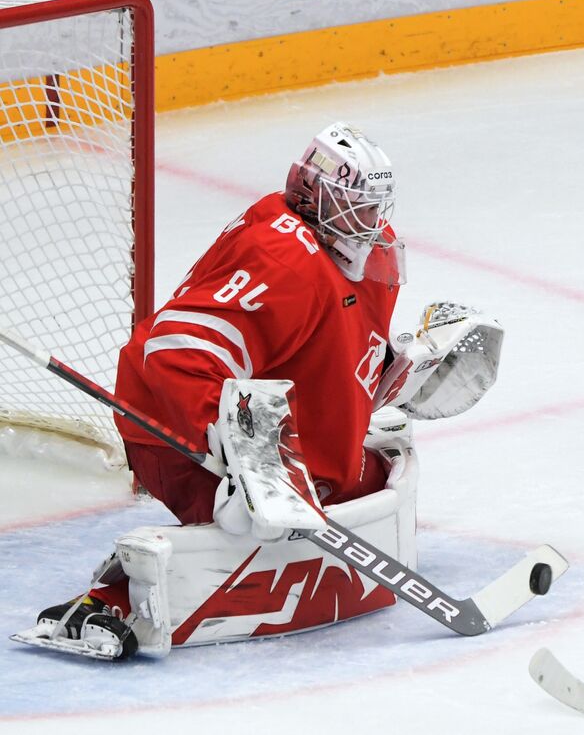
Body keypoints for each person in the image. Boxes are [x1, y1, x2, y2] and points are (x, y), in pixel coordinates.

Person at [20, 122, 500, 660]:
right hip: (181, 426)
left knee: (361, 485)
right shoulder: (284, 258)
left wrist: (400, 370)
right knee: (245, 523)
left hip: (272, 425)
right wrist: (249, 460)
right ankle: (107, 598)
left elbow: (332, 347)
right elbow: (175, 353)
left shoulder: (364, 249)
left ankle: (294, 483)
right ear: (315, 195)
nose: (371, 223)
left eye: (375, 208)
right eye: (356, 207)